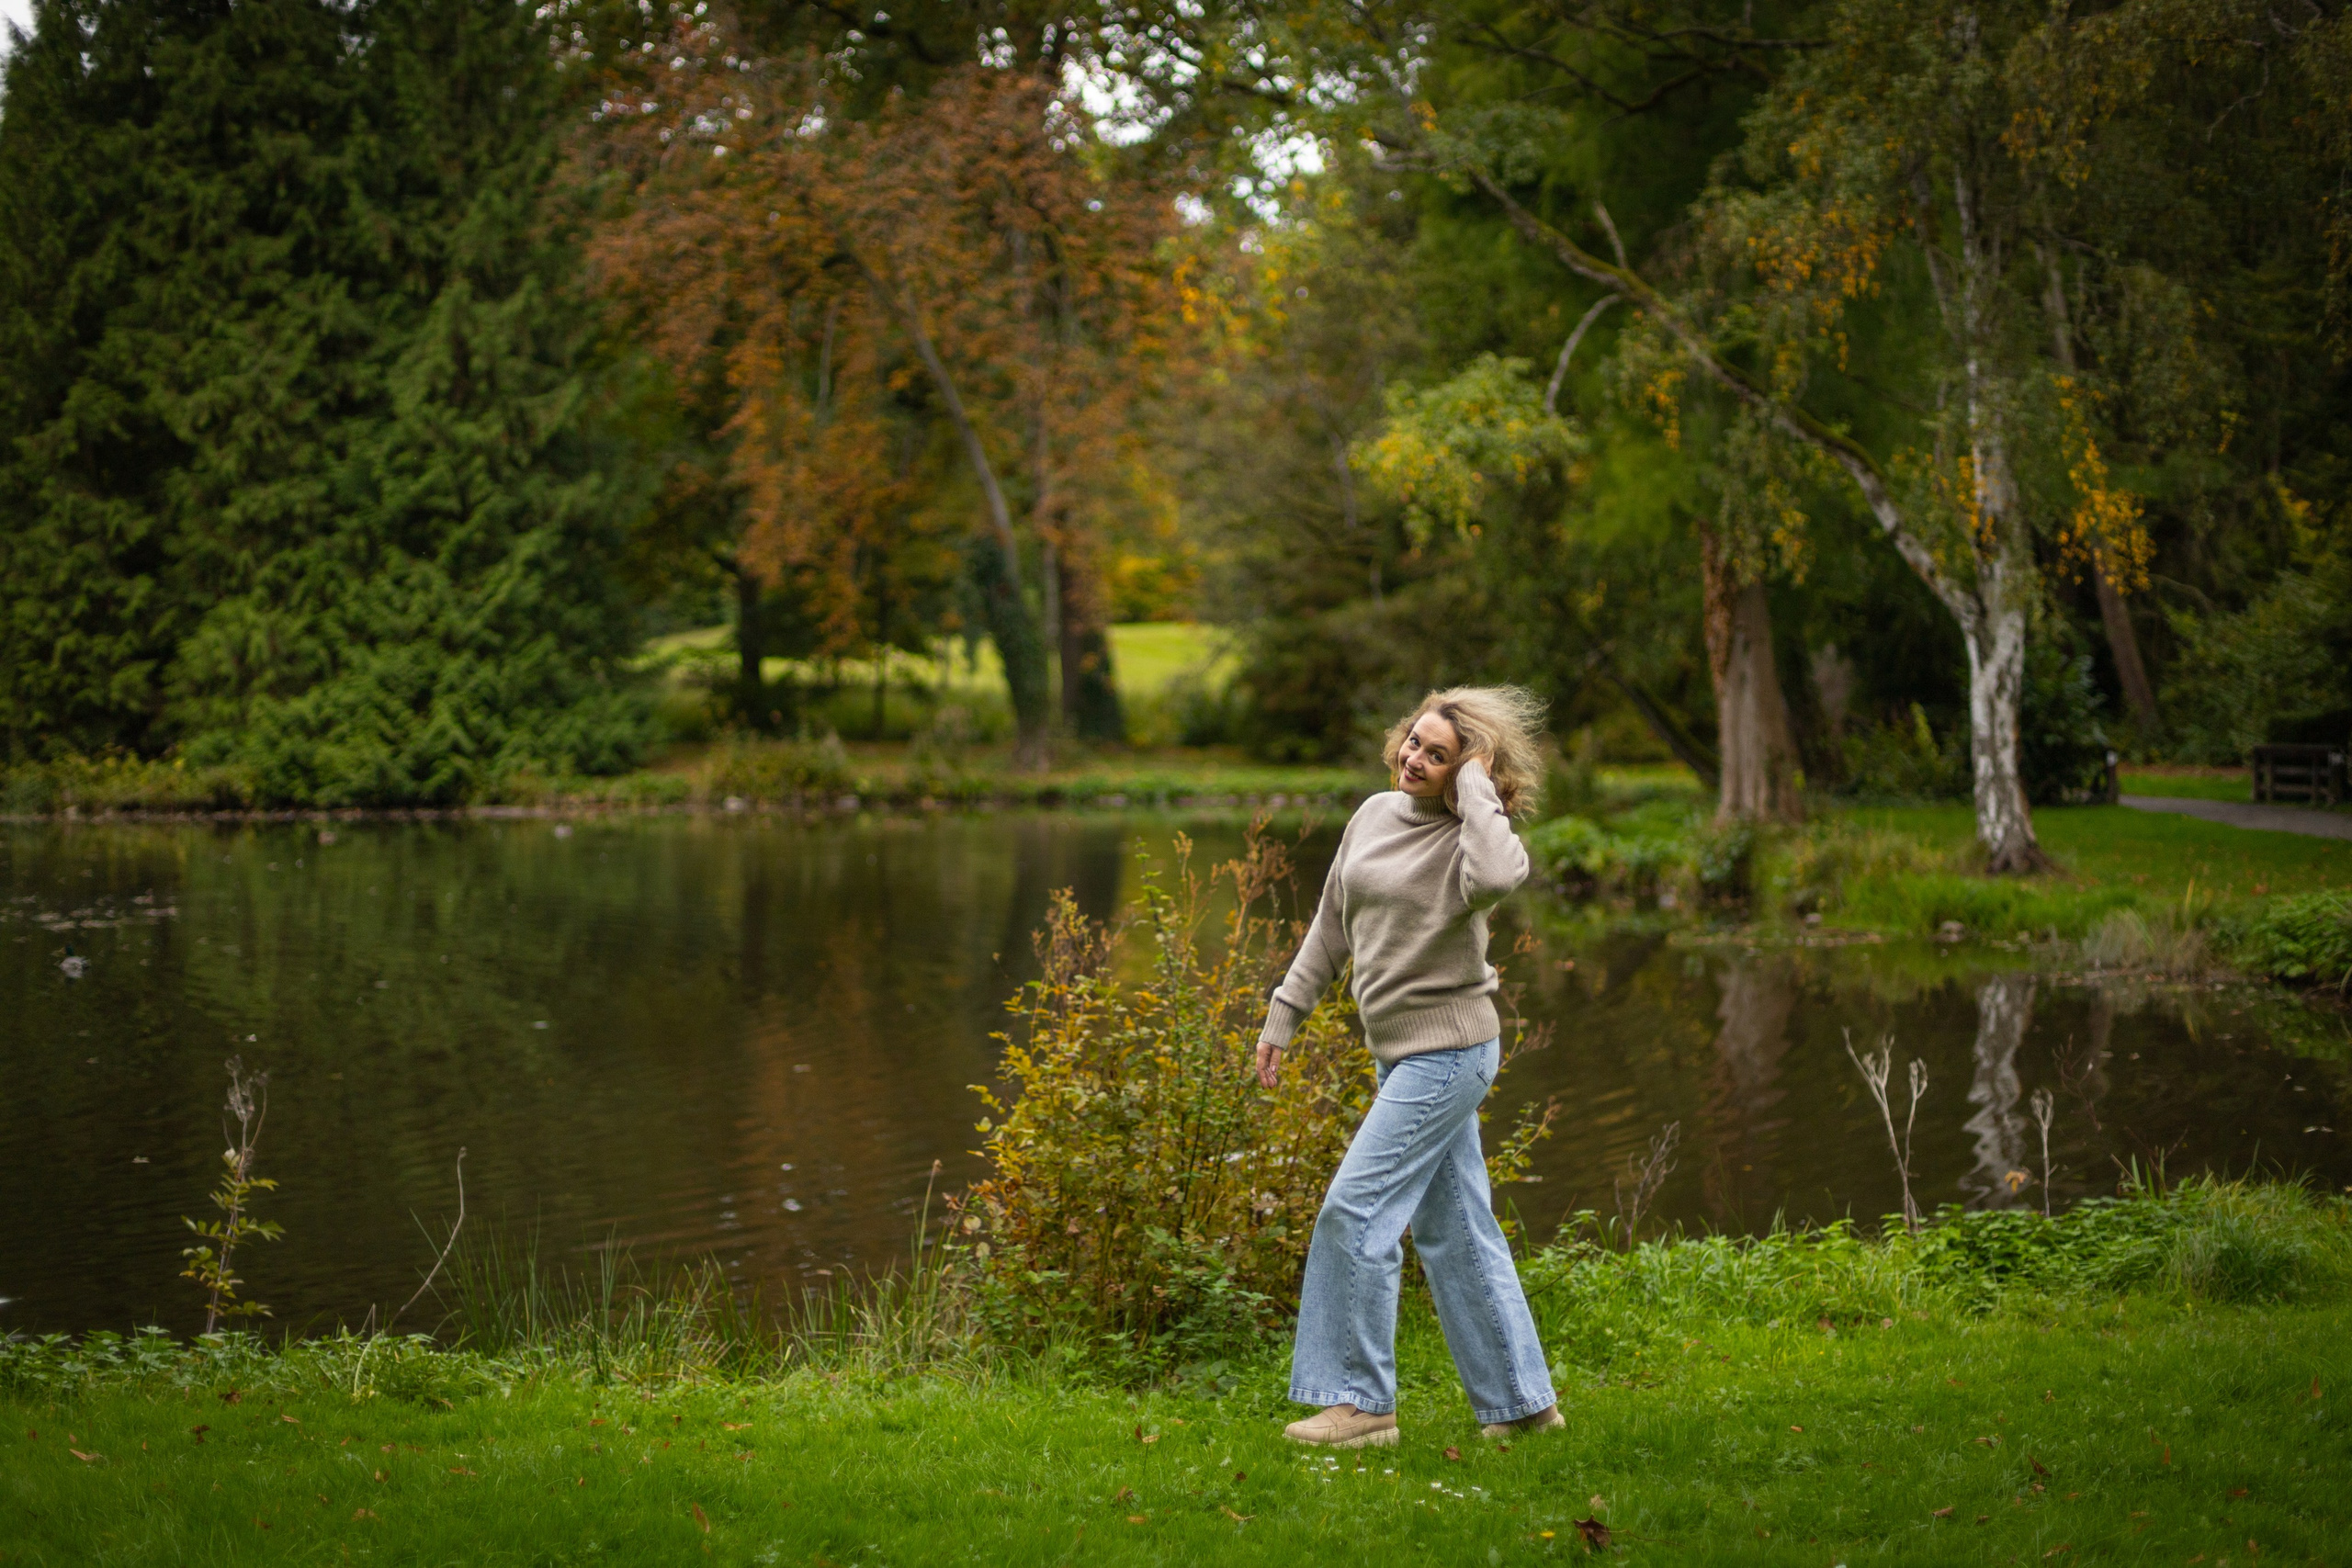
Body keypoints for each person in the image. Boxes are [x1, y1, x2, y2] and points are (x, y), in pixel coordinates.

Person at [1256, 685, 1563, 1450]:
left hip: (1450, 1052)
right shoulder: (1371, 814)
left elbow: (1498, 878)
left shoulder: (1472, 840)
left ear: (1470, 771)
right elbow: (1331, 922)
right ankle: (1523, 1405)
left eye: (1439, 754)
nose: (1415, 758)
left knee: (1355, 1210)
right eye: (1414, 741)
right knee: (1457, 1230)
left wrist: (1476, 787)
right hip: (1399, 1055)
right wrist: (1285, 1011)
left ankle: (1360, 1403)